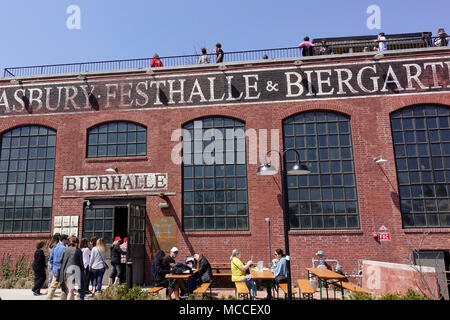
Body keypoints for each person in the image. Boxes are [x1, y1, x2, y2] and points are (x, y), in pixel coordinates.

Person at [59, 236, 85, 300]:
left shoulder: (66, 249)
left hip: (65, 272)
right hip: (73, 272)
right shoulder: (78, 250)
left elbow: (60, 260)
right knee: (70, 291)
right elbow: (81, 263)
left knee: (71, 291)